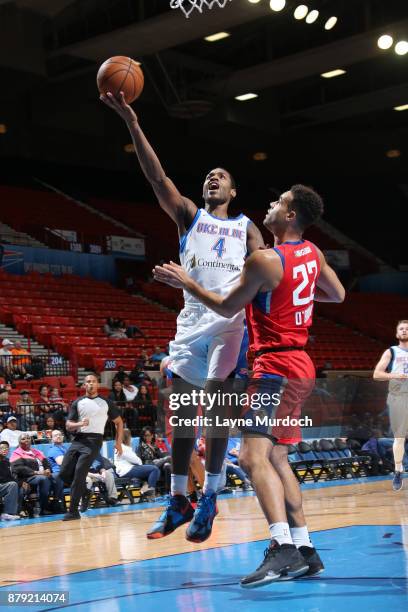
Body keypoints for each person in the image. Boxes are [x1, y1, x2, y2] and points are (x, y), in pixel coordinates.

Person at [154, 184, 345, 585]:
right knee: (277, 459)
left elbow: (225, 307)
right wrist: (293, 295)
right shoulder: (313, 253)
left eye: (278, 203)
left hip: (274, 367)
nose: (271, 205)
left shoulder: (264, 260)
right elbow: (338, 294)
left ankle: (281, 548)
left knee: (251, 458)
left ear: (290, 216)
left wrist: (186, 283)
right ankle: (307, 548)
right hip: (302, 366)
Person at [101, 90, 265, 542]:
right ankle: (178, 499)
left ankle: (211, 494)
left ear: (233, 191)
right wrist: (133, 122)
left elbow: (268, 271)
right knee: (181, 416)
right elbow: (157, 178)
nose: (213, 178)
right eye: (209, 175)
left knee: (213, 410)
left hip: (229, 323)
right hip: (191, 324)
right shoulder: (189, 217)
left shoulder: (246, 226)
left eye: (222, 176)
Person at [58, 373, 123, 521]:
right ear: (84, 385)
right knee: (63, 473)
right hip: (78, 439)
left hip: (94, 440)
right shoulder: (78, 402)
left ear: (98, 384)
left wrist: (118, 442)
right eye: (88, 382)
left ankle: (73, 511)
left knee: (80, 473)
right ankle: (85, 490)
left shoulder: (106, 402)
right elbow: (68, 425)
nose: (91, 384)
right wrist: (80, 424)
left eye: (93, 381)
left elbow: (119, 422)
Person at [373, 320, 408, 491]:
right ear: (396, 333)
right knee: (399, 437)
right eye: (401, 329)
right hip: (398, 397)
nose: (404, 331)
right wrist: (395, 375)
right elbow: (377, 374)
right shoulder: (391, 351)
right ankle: (398, 471)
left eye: (407, 329)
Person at [10, 433, 60, 515]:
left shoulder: (38, 452)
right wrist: (38, 472)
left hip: (43, 474)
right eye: (23, 439)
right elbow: (19, 468)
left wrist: (48, 470)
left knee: (58, 476)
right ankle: (43, 507)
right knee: (43, 479)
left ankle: (57, 503)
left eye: (28, 438)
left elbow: (46, 463)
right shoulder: (17, 453)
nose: (26, 440)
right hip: (28, 477)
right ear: (19, 442)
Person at [114, 428, 160, 496]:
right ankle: (150, 491)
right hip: (127, 470)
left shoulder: (121, 447)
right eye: (130, 436)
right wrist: (139, 462)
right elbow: (138, 461)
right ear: (127, 437)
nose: (131, 438)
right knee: (154, 469)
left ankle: (146, 488)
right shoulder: (123, 448)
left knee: (152, 470)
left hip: (126, 470)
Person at [138, 426, 171, 492]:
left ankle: (168, 491)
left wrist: (161, 453)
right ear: (143, 436)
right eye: (145, 435)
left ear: (152, 435)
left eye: (149, 435)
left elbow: (160, 455)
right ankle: (168, 458)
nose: (147, 437)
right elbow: (138, 460)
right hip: (148, 465)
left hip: (157, 464)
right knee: (167, 458)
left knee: (167, 465)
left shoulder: (154, 445)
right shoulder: (140, 446)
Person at [0, 440, 21, 520]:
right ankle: (7, 513)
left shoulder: (6, 461)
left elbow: (10, 477)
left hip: (3, 485)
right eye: (2, 448)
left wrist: (21, 483)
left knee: (19, 487)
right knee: (12, 485)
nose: (4, 449)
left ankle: (17, 511)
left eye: (6, 448)